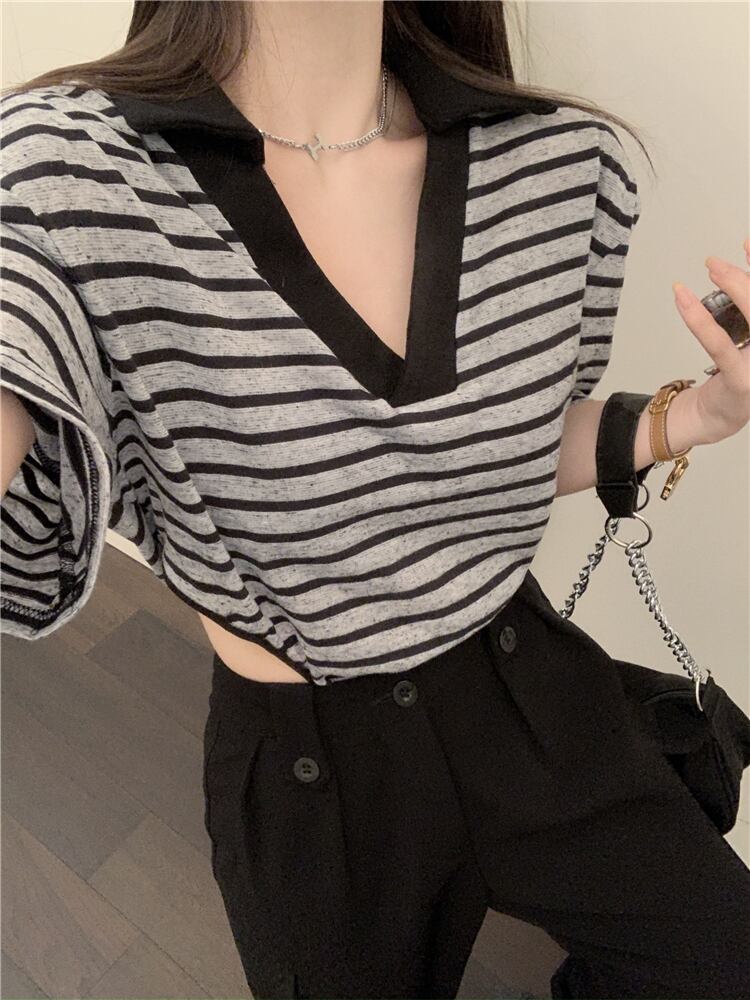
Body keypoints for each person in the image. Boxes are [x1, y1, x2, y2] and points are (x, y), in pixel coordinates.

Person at [1, 2, 749, 997]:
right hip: (318, 765)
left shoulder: (563, 165)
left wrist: (695, 414)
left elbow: (504, 454)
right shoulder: (63, 179)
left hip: (524, 682)